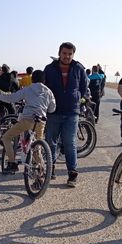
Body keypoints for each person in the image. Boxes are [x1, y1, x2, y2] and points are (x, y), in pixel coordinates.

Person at [43, 42, 88, 187]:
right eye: (64, 53)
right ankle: (50, 169)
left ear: (73, 55)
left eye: (70, 54)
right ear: (59, 53)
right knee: (51, 142)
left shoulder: (79, 68)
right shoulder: (49, 69)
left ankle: (72, 173)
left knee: (69, 143)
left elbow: (83, 87)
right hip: (53, 111)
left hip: (71, 112)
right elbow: (44, 88)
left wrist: (77, 98)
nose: (67, 56)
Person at [0, 70, 56, 174]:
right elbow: (52, 109)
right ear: (44, 80)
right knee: (37, 146)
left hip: (27, 120)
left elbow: (12, 98)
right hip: (41, 121)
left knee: (6, 137)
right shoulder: (49, 92)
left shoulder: (27, 89)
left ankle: (12, 163)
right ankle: (42, 171)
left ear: (32, 79)